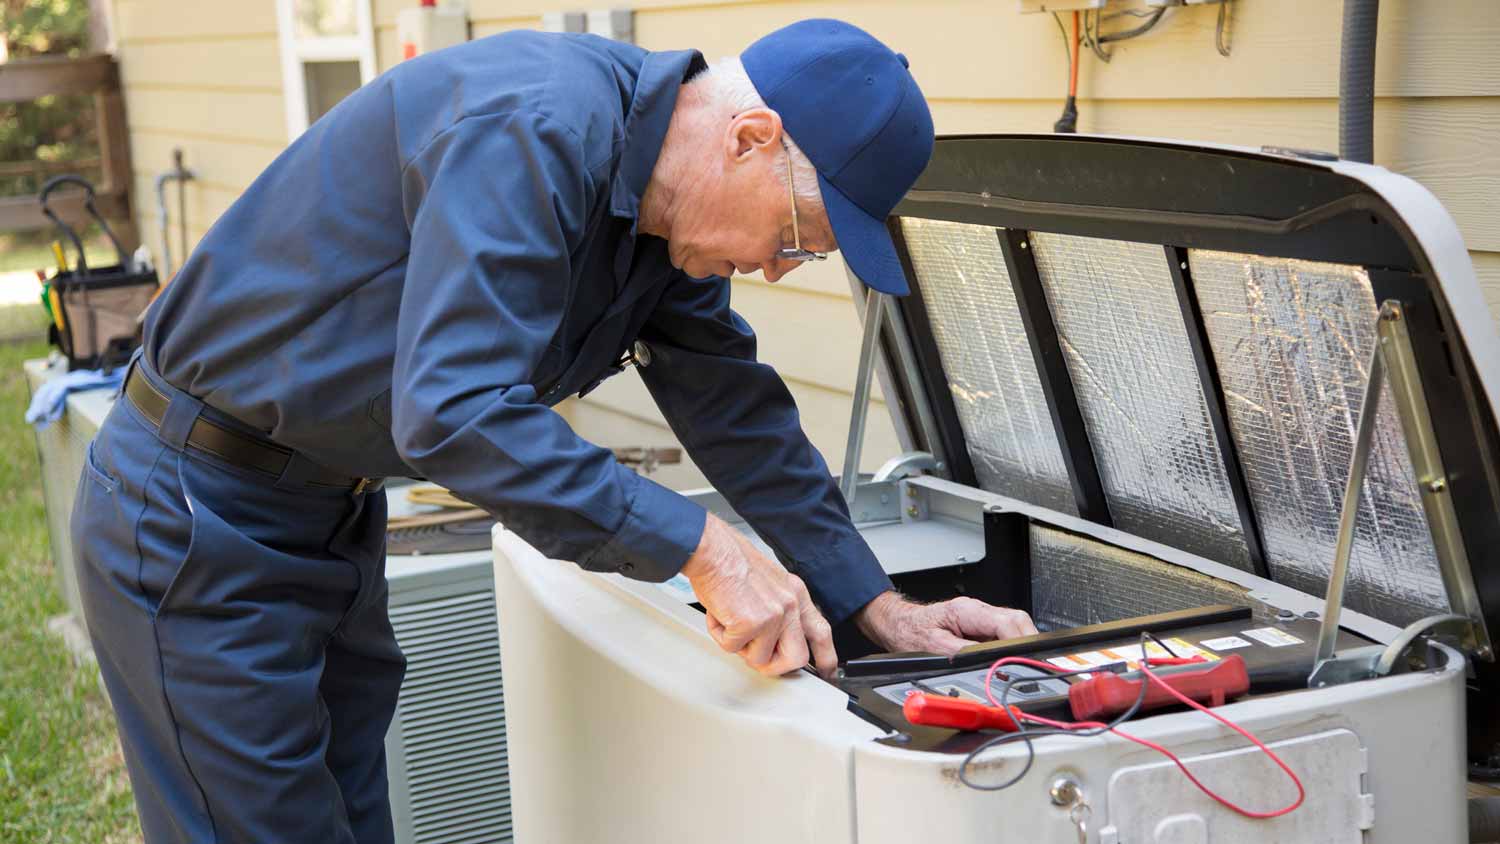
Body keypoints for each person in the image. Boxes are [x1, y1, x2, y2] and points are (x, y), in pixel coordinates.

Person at [71, 18, 1037, 843]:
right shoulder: (532, 131)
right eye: (796, 237)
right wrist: (702, 548)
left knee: (349, 820)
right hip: (199, 514)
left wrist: (875, 604)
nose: (779, 269)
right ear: (749, 136)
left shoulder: (662, 217)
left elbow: (736, 410)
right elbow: (454, 411)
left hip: (328, 511)